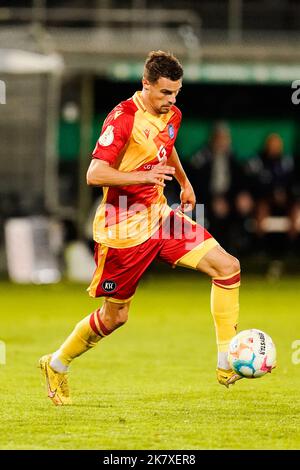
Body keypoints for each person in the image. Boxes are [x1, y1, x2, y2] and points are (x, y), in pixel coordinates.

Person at [39, 51, 242, 406]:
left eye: (176, 93)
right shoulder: (122, 119)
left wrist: (185, 182)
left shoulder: (171, 113)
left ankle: (227, 361)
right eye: (165, 93)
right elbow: (95, 174)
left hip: (161, 217)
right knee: (115, 317)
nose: (171, 101)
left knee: (228, 268)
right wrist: (142, 175)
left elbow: (167, 146)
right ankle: (56, 363)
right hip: (122, 230)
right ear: (145, 84)